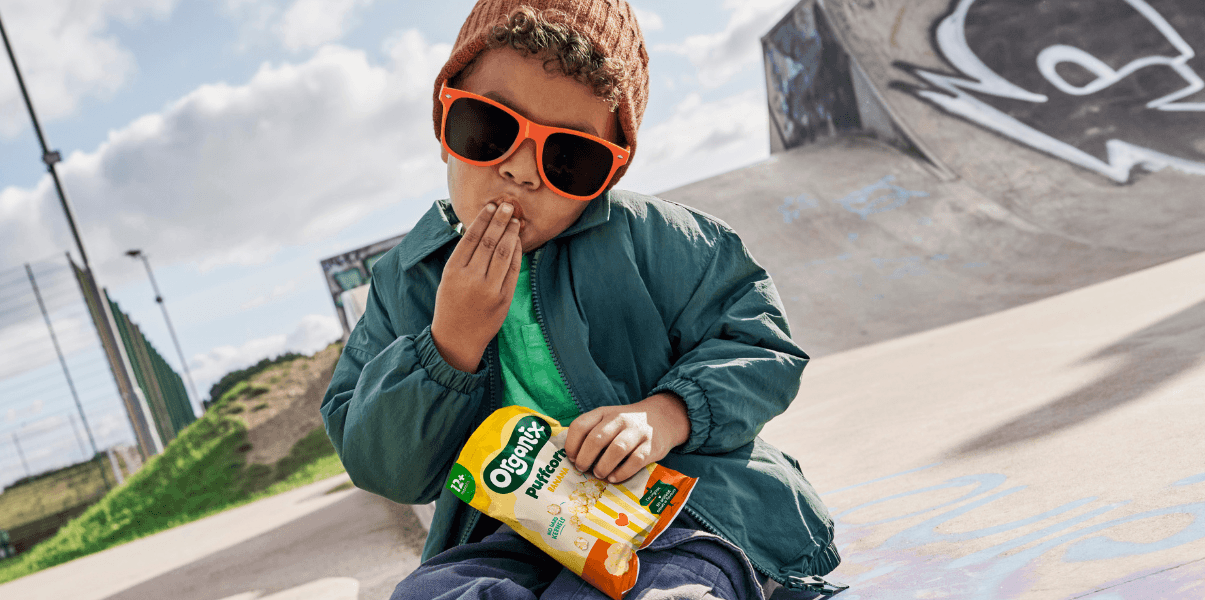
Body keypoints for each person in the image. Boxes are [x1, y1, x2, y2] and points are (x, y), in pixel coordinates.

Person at [319, 1, 843, 598]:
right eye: (488, 127)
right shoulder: (406, 280)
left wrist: (666, 415)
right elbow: (383, 464)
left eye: (569, 158)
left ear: (610, 175)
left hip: (681, 514)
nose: (521, 171)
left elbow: (761, 343)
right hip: (508, 535)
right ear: (444, 127)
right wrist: (448, 346)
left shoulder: (657, 239)